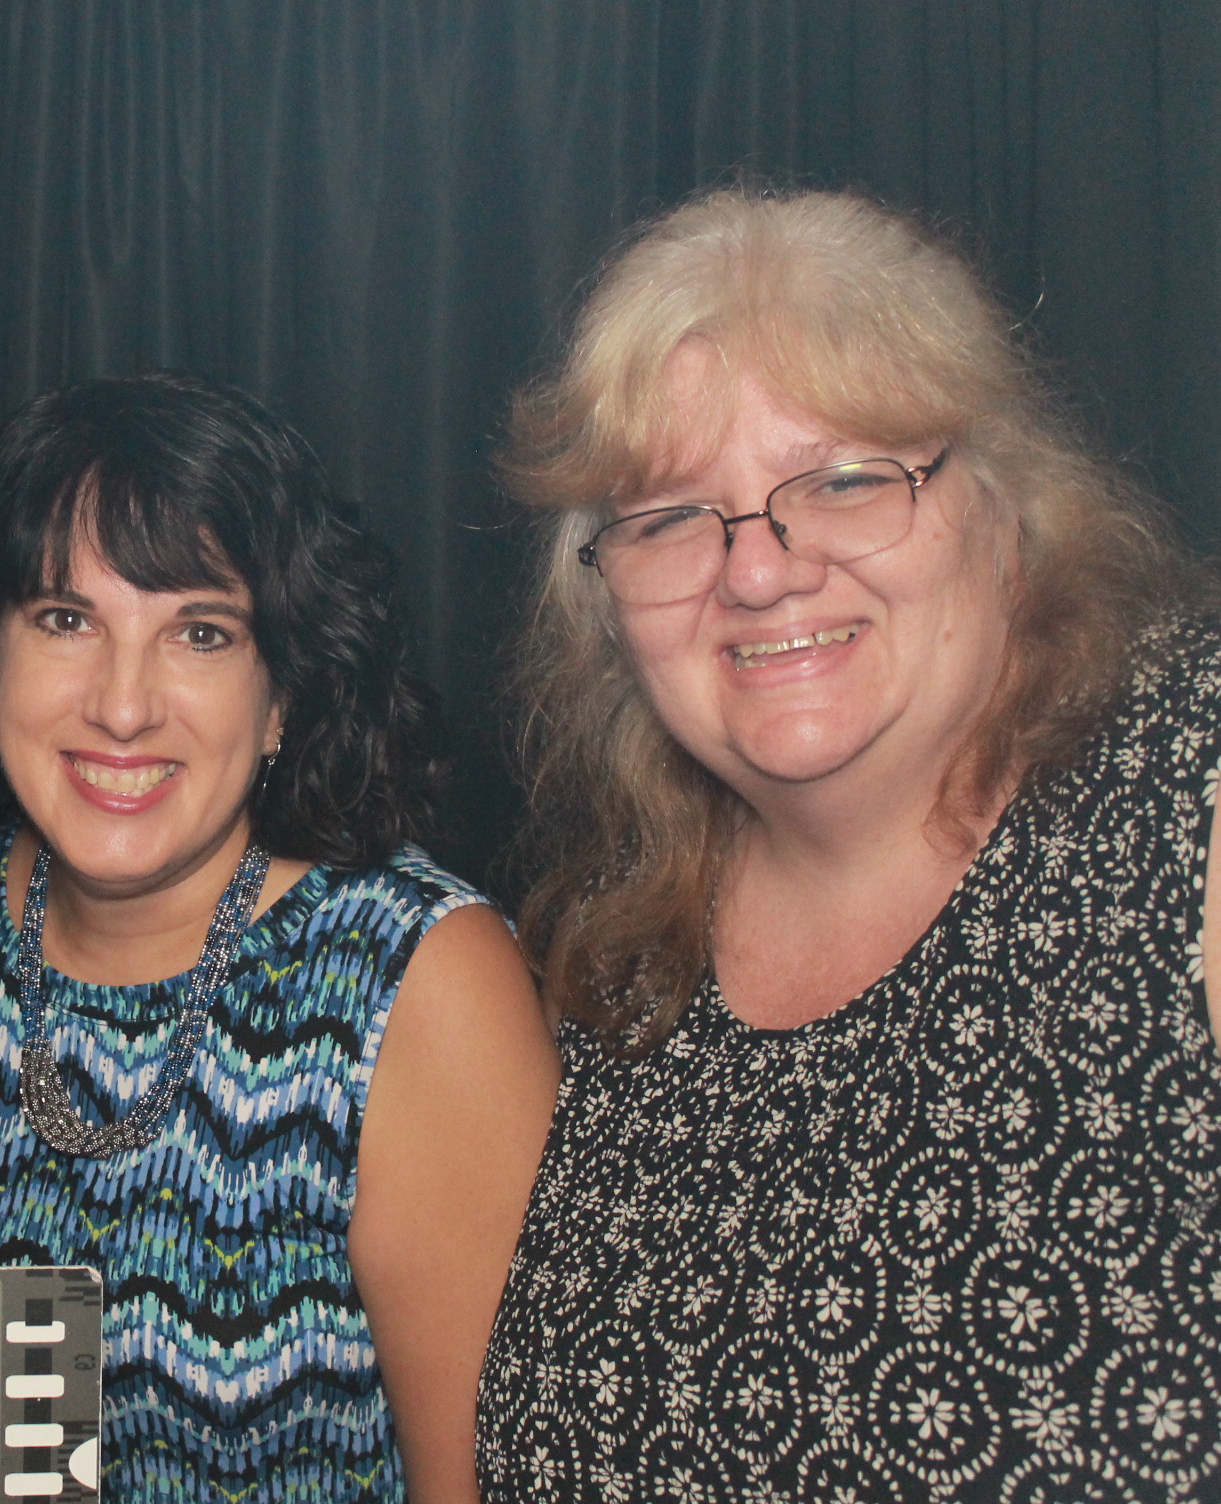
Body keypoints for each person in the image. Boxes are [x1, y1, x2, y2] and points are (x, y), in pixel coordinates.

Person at [477, 186, 1221, 1500]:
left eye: (842, 480)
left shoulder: (1186, 795)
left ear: (1007, 502)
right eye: (664, 519)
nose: (759, 571)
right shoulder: (615, 946)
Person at [0, 372, 558, 1504]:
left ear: (284, 691)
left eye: (199, 631)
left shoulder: (412, 977)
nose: (123, 704)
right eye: (64, 619)